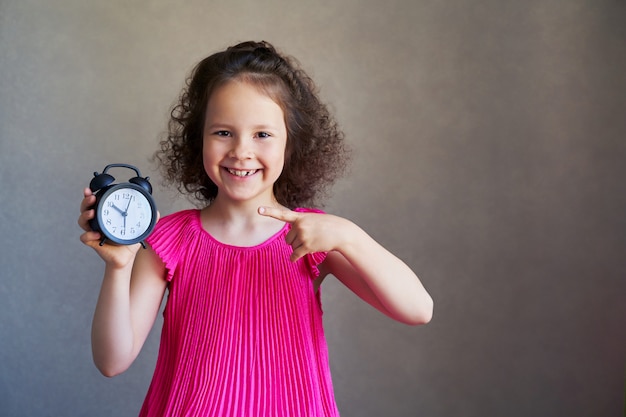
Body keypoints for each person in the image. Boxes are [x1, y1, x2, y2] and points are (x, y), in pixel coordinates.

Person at [78, 40, 433, 416]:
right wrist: (118, 267)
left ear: (290, 145)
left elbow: (417, 309)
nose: (241, 151)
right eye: (223, 133)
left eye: (262, 134)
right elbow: (112, 361)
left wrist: (349, 235)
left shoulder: (311, 235)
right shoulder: (168, 239)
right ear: (198, 138)